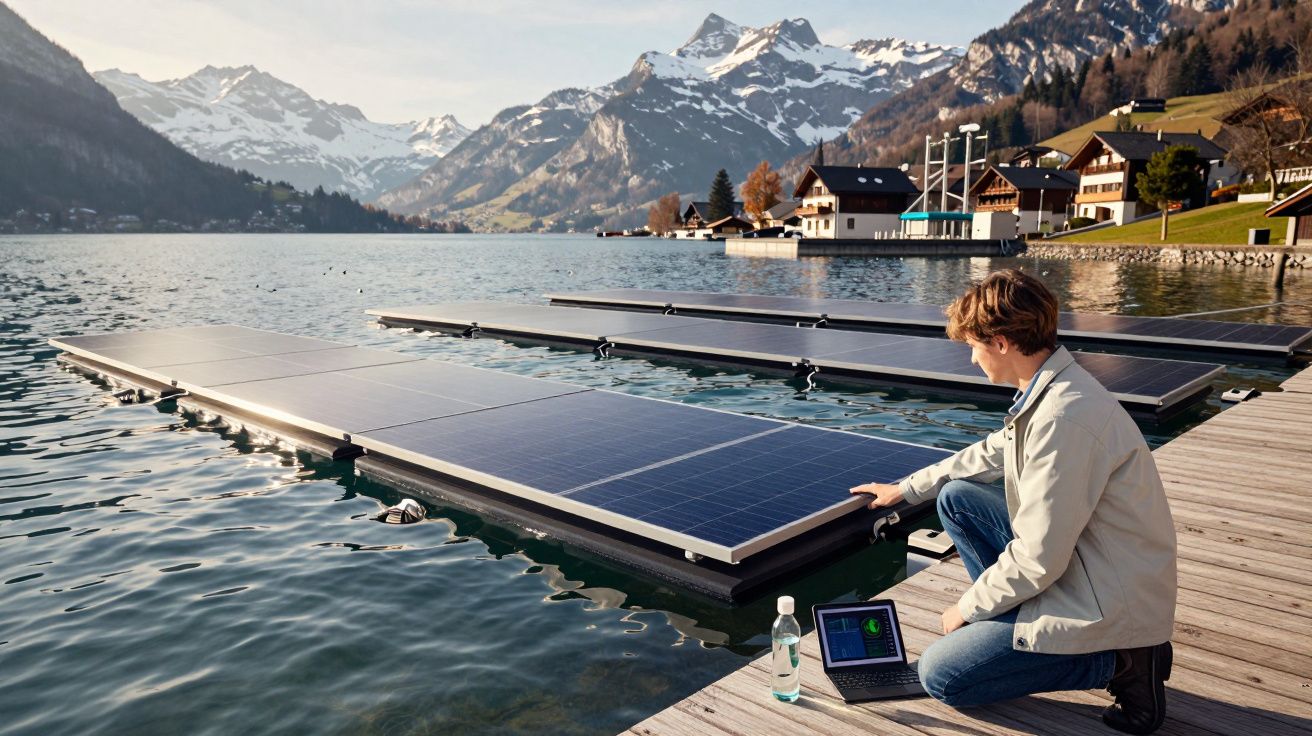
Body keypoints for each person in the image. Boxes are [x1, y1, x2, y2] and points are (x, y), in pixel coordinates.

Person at [851, 269, 1177, 735]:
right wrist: (905, 488)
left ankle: (1119, 660)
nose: (971, 358)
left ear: (1001, 342)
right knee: (958, 498)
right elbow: (987, 453)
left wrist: (967, 608)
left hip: (1108, 598)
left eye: (973, 345)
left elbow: (1039, 559)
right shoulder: (1051, 390)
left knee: (941, 675)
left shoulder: (1064, 418)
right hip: (1094, 565)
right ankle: (1023, 631)